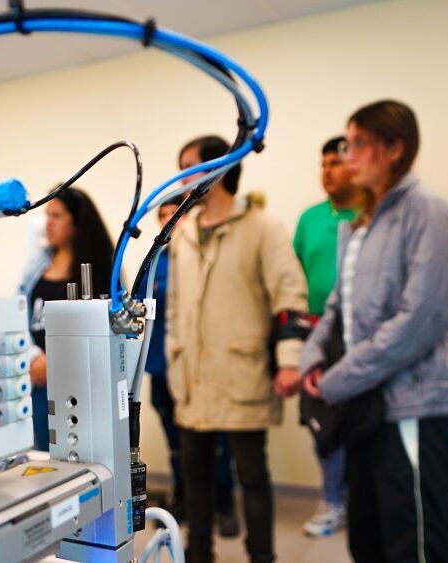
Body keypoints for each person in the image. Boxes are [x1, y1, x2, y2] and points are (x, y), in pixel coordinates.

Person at [283, 100, 448, 562]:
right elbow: (335, 308)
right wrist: (313, 361)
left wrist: (336, 380)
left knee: (418, 543)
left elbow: (420, 321)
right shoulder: (359, 226)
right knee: (368, 539)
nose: (348, 157)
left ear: (394, 149)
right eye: (346, 145)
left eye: (358, 144)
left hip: (411, 407)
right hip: (363, 409)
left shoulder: (429, 213)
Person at [167, 135, 308, 563]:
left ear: (219, 169)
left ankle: (261, 555)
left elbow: (290, 296)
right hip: (192, 375)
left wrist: (290, 361)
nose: (182, 178)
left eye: (190, 167)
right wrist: (174, 350)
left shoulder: (263, 227)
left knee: (252, 475)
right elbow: (174, 305)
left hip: (242, 371)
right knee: (194, 472)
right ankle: (199, 552)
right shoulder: (182, 233)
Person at [136, 195, 240, 535]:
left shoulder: (201, 257)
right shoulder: (154, 262)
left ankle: (224, 503)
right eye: (164, 215)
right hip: (162, 367)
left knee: (216, 440)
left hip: (202, 367)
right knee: (176, 442)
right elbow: (138, 305)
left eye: (176, 214)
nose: (170, 221)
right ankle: (186, 499)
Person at [292, 136, 358, 537]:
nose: (328, 171)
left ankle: (360, 498)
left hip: (361, 335)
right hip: (317, 334)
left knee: (360, 421)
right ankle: (333, 501)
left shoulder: (370, 214)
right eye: (324, 164)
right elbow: (294, 277)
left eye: (336, 163)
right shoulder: (310, 219)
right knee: (321, 422)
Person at [18, 186, 114, 451]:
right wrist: (35, 356)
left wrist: (55, 361)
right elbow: (20, 313)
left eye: (57, 216)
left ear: (76, 221)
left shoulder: (100, 267)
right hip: (40, 380)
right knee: (47, 455)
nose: (48, 223)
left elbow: (107, 327)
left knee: (82, 453)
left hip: (82, 383)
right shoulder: (38, 264)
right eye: (47, 215)